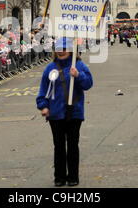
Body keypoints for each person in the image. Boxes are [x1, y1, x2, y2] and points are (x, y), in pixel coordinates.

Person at [36, 37, 93, 187]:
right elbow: (43, 89)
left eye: (64, 49)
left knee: (73, 145)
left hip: (74, 112)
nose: (61, 52)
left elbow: (88, 84)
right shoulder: (50, 68)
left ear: (71, 50)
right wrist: (43, 106)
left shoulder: (79, 65)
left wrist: (78, 76)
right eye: (58, 49)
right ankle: (59, 177)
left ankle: (73, 176)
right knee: (59, 146)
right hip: (55, 114)